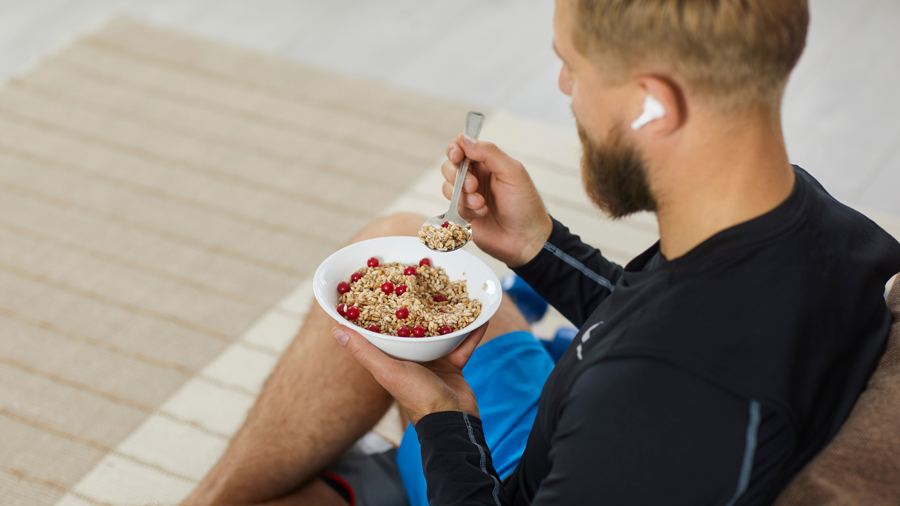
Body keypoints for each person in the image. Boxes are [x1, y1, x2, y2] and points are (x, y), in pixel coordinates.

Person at [182, 0, 900, 505]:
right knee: (397, 242)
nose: (564, 89)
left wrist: (442, 417)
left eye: (572, 66)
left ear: (652, 103)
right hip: (568, 434)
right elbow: (659, 316)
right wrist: (539, 245)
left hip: (514, 479)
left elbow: (656, 370)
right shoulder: (816, 224)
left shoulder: (656, 404)